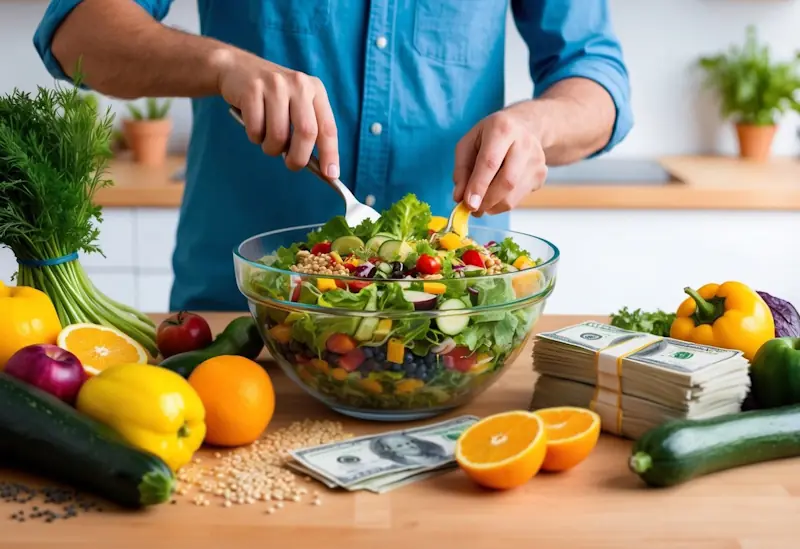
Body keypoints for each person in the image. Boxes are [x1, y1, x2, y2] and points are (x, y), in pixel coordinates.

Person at [33, 0, 632, 312]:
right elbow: (74, 30)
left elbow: (598, 79)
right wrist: (222, 65)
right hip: (240, 322)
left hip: (458, 325)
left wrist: (537, 124)